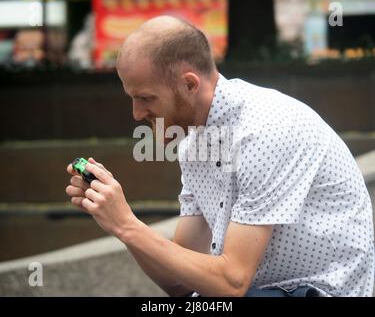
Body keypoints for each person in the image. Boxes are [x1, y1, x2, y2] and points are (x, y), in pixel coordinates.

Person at [65, 16, 374, 297]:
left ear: (189, 84)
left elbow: (232, 283)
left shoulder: (265, 130)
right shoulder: (194, 143)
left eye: (145, 98)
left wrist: (129, 225)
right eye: (133, 98)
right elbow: (181, 283)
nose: (136, 114)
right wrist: (119, 223)